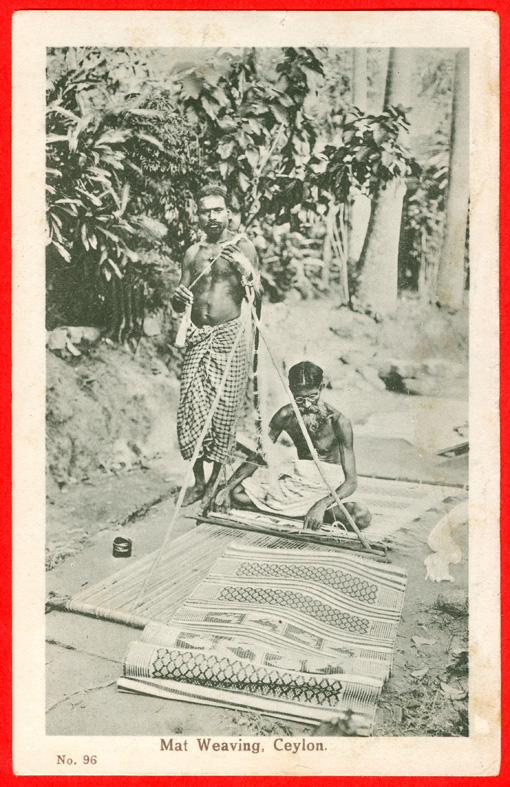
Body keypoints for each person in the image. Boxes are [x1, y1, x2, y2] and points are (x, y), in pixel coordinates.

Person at [172, 184, 259, 507]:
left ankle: (212, 485)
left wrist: (246, 272)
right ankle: (196, 481)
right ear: (198, 215)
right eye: (205, 210)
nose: (212, 216)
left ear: (228, 213)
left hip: (230, 337)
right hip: (198, 336)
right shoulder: (193, 253)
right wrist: (176, 296)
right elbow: (181, 294)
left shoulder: (243, 248)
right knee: (190, 410)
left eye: (217, 210)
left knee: (223, 414)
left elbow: (257, 295)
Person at [213, 361, 371, 531]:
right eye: (299, 399)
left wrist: (321, 504)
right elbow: (257, 456)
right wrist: (227, 487)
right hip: (297, 485)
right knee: (235, 493)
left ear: (322, 387)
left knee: (361, 516)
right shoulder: (285, 415)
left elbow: (351, 482)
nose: (307, 405)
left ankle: (305, 513)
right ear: (291, 390)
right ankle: (303, 514)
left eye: (312, 396)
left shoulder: (339, 422)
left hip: (327, 487)